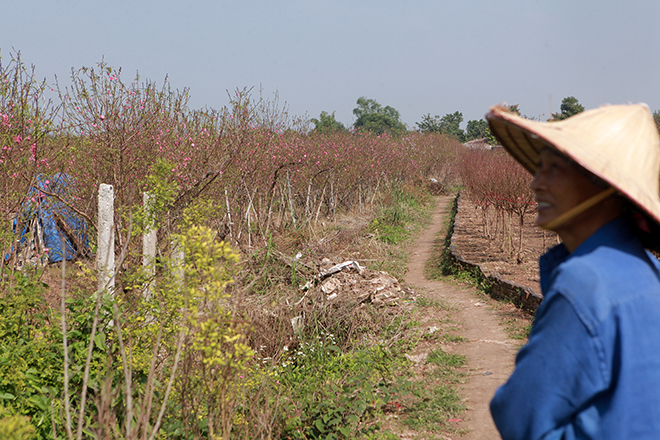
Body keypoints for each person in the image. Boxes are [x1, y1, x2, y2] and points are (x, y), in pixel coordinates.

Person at [485, 103, 660, 440]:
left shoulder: (586, 282)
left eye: (554, 168)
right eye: (539, 168)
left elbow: (519, 414)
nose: (536, 183)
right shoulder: (648, 271)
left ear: (605, 184)